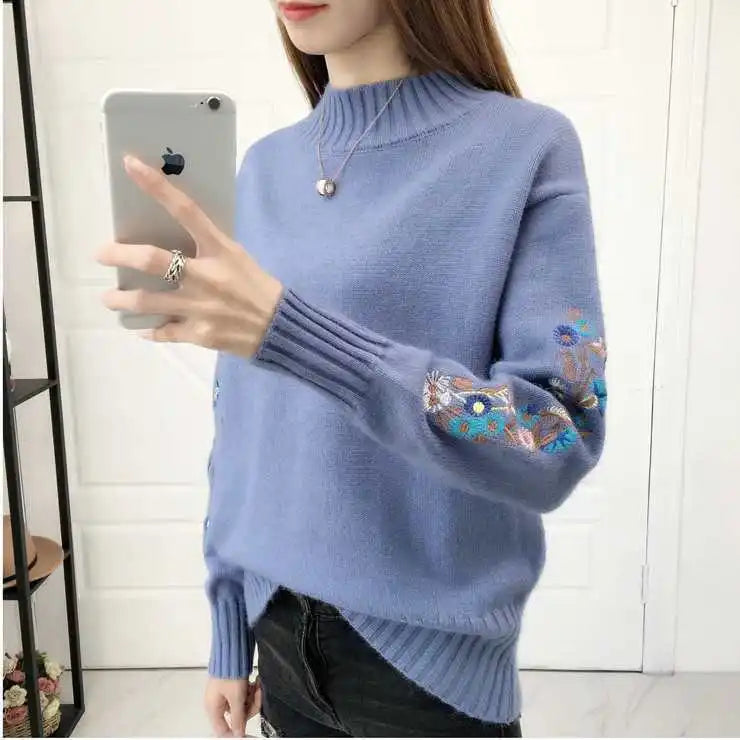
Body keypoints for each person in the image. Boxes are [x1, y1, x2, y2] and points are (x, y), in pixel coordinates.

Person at [98, 0, 607, 736]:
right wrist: (228, 625)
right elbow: (242, 423)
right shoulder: (265, 166)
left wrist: (293, 333)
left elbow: (556, 437)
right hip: (276, 631)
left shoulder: (526, 147)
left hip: (426, 669)